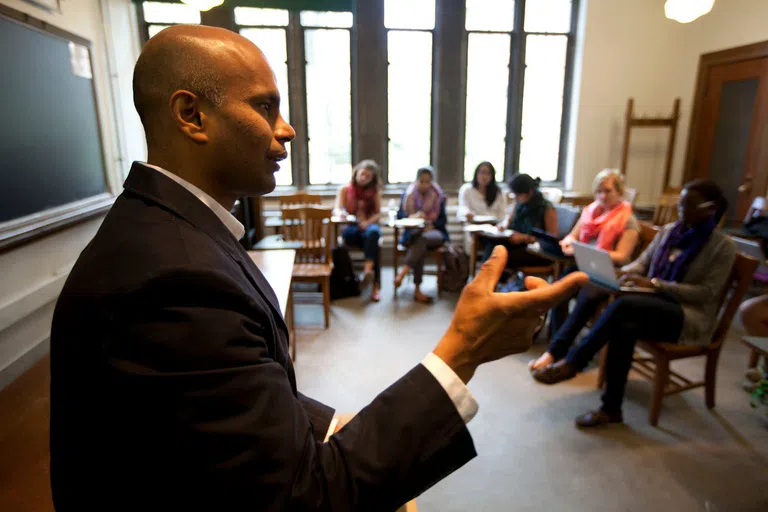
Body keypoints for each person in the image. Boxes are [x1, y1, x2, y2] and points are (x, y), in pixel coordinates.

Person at [48, 26, 588, 510]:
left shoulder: (174, 228)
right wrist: (464, 348)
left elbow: (238, 394)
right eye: (264, 108)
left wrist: (333, 425)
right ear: (192, 116)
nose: (287, 131)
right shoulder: (171, 280)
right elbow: (305, 497)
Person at [531, 180, 736, 428]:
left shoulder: (722, 247)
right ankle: (611, 409)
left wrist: (655, 284)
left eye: (687, 205)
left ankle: (574, 362)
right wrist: (621, 273)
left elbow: (707, 293)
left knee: (623, 307)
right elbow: (641, 264)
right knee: (624, 326)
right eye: (680, 204)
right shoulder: (670, 231)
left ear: (709, 209)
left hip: (688, 316)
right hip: (653, 305)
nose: (680, 209)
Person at [529, 169, 640, 371]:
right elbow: (573, 236)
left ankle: (557, 352)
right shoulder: (590, 211)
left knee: (586, 299)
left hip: (608, 274)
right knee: (559, 290)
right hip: (584, 266)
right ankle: (557, 344)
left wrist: (589, 252)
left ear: (620, 192)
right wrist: (569, 243)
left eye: (607, 191)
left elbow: (623, 256)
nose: (602, 196)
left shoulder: (628, 220)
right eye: (598, 191)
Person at [394, 166, 449, 303]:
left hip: (434, 234)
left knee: (421, 240)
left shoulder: (438, 196)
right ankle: (417, 290)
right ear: (417, 180)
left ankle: (403, 271)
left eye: (428, 181)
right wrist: (414, 217)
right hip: (414, 234)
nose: (424, 184)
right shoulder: (408, 194)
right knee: (419, 244)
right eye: (421, 181)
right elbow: (400, 216)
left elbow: (443, 221)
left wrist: (431, 224)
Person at [482, 173, 558, 268]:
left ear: (529, 192)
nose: (516, 198)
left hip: (536, 252)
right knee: (493, 246)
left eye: (518, 195)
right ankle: (486, 278)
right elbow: (509, 219)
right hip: (519, 246)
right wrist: (504, 225)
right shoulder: (519, 203)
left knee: (501, 256)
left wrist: (525, 238)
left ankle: (490, 279)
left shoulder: (546, 208)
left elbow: (551, 241)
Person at [334, 159, 382, 302]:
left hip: (367, 228)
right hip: (351, 228)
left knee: (373, 234)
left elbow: (379, 213)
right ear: (356, 173)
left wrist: (367, 222)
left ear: (372, 179)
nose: (364, 178)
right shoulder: (345, 189)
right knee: (373, 246)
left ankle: (368, 272)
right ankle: (374, 284)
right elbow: (337, 208)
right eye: (362, 174)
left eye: (368, 177)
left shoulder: (374, 192)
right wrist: (341, 214)